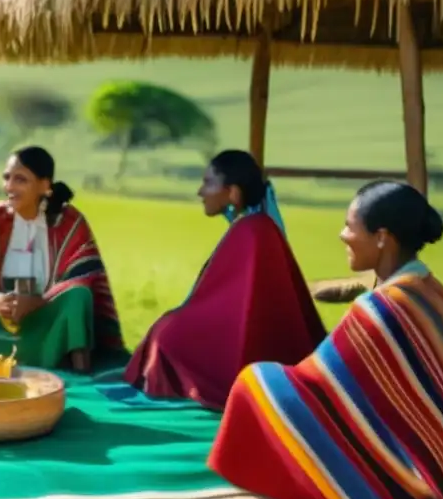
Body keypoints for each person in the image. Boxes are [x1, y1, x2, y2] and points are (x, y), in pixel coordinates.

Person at [209, 181, 443, 499]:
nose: (342, 235)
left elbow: (317, 381)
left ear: (381, 238)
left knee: (256, 384)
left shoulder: (381, 310)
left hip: (438, 493)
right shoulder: (428, 287)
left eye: (350, 226)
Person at [123, 150, 325, 409]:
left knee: (165, 336)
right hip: (251, 337)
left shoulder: (250, 230)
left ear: (233, 193)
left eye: (208, 183)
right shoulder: (255, 226)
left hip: (250, 346)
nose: (200, 191)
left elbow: (224, 302)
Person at [0, 145, 126, 372]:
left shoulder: (69, 221)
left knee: (78, 297)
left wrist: (39, 301)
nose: (9, 187)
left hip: (45, 323)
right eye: (6, 178)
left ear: (45, 185)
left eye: (20, 180)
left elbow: (83, 278)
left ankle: (79, 372)